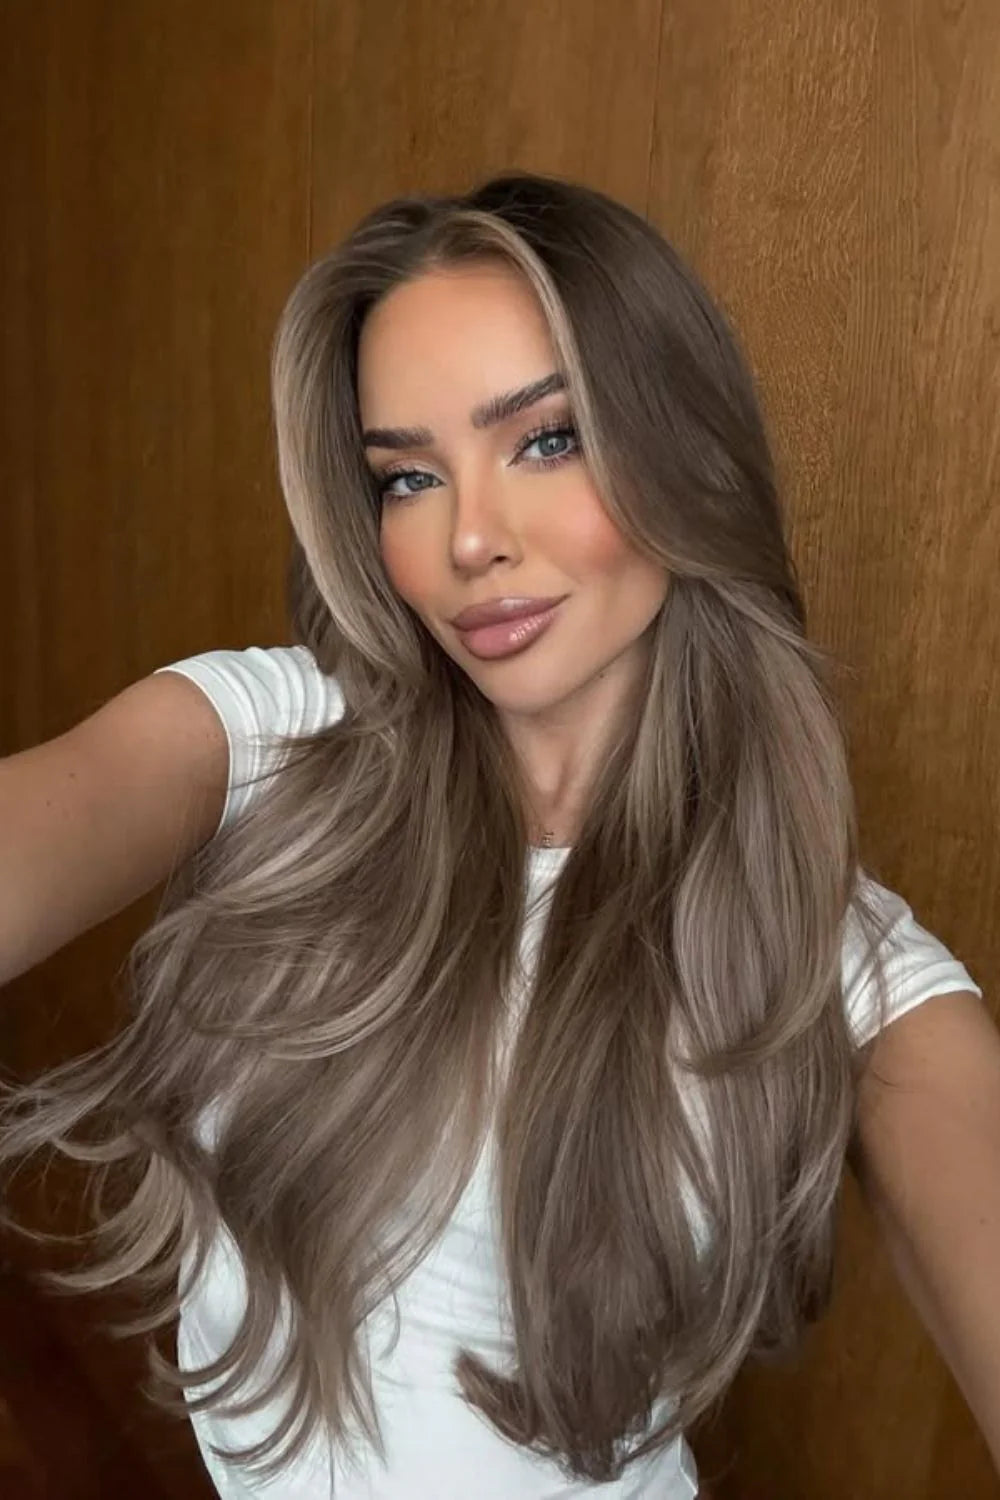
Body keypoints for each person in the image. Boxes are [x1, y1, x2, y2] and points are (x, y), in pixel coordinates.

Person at [0, 170, 996, 1500]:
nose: (469, 538)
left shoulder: (836, 965)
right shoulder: (274, 740)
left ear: (685, 452)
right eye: (409, 476)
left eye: (547, 439)